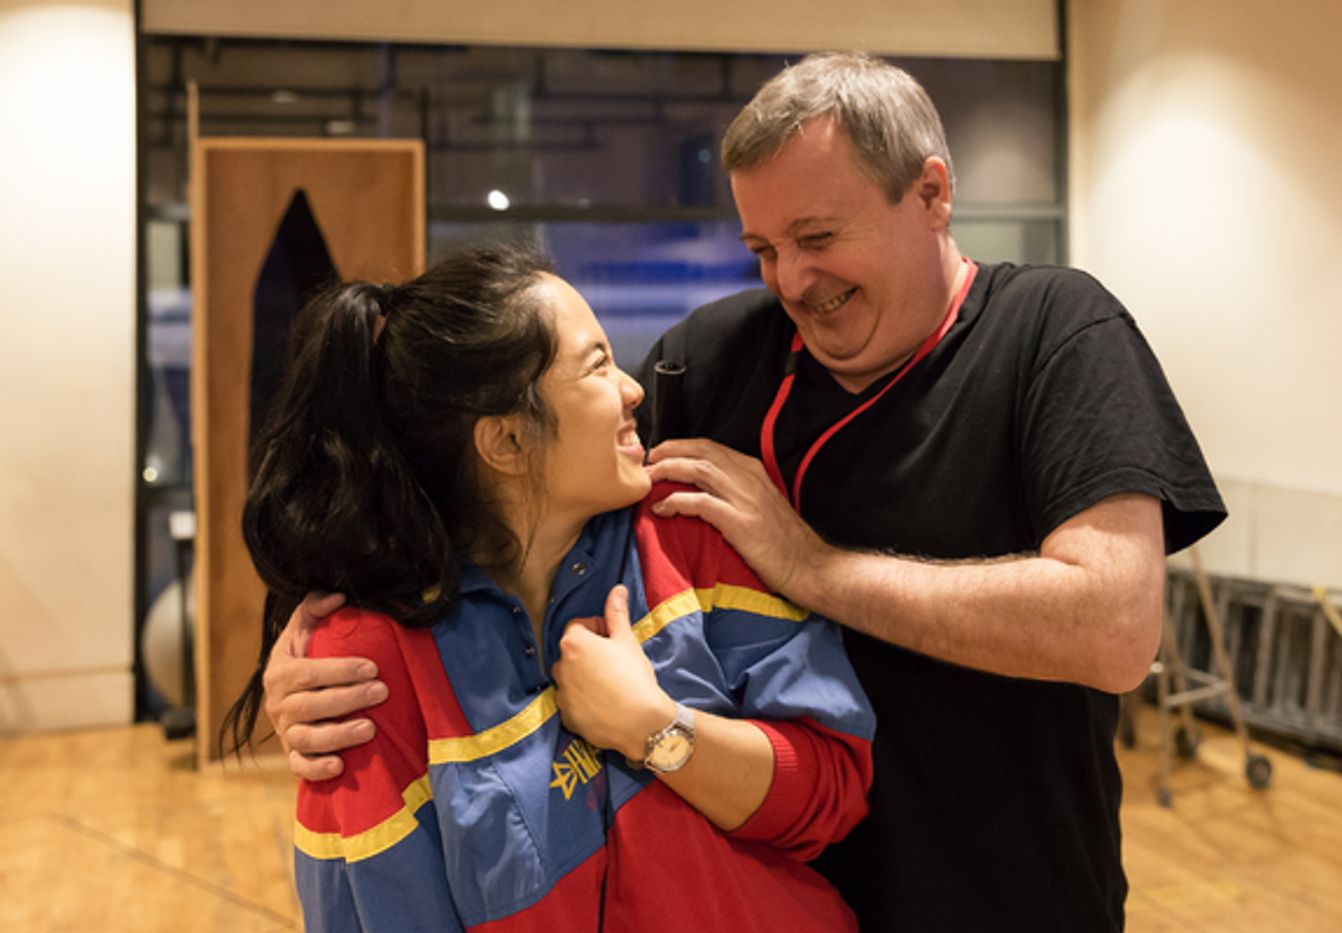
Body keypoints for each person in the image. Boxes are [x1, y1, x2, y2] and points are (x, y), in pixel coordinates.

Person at [261, 53, 1227, 931]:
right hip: (786, 890)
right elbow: (518, 476)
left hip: (1011, 896)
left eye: (817, 236)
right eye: (763, 248)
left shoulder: (1055, 332)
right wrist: (318, 640)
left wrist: (812, 566)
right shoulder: (715, 359)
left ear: (932, 193)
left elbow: (1113, 626)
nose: (793, 282)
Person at [226, 244, 875, 932]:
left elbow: (830, 790)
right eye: (597, 364)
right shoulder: (367, 668)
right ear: (506, 441)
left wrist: (655, 728)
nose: (633, 389)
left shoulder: (688, 527)